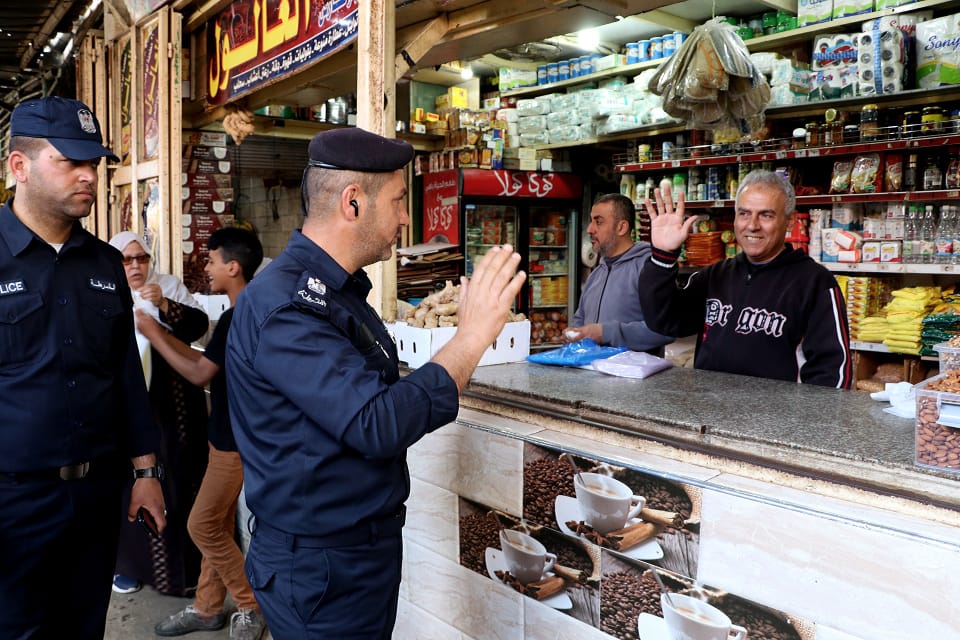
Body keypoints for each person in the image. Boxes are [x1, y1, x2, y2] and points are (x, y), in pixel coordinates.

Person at [226, 127, 526, 639]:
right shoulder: (287, 307)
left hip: (353, 554)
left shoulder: (339, 293)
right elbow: (375, 422)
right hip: (320, 567)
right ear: (352, 202)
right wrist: (472, 336)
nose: (407, 218)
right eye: (399, 200)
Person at [0, 96, 166, 638]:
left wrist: (146, 474)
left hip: (95, 497)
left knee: (83, 627)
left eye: (93, 163)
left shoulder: (103, 265)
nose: (89, 175)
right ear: (19, 167)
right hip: (13, 500)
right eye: (70, 161)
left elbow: (124, 377)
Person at [142, 227, 267, 640]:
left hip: (236, 442)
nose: (206, 268)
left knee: (203, 526)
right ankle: (208, 607)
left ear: (234, 266)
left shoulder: (240, 315)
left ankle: (249, 604)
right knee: (219, 518)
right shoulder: (242, 310)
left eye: (212, 260)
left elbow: (199, 373)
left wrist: (155, 333)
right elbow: (206, 363)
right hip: (223, 437)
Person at [638, 169, 852, 388]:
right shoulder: (715, 275)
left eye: (766, 215)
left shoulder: (815, 283)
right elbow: (664, 321)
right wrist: (662, 257)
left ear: (789, 222)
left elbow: (833, 373)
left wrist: (796, 423)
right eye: (744, 213)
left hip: (775, 419)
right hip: (709, 412)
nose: (752, 225)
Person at [109, 231, 210, 596]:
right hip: (128, 401)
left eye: (142, 258)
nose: (136, 266)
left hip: (177, 401)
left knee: (181, 476)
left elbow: (200, 327)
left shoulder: (169, 286)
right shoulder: (104, 290)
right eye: (126, 259)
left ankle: (187, 569)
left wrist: (166, 305)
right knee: (132, 480)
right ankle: (129, 567)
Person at [564, 193, 673, 354]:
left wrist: (606, 333)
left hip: (636, 377)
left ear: (621, 227)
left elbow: (666, 330)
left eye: (598, 221)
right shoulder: (596, 273)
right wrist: (573, 333)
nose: (590, 229)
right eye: (591, 220)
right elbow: (580, 318)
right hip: (591, 375)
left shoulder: (648, 269)